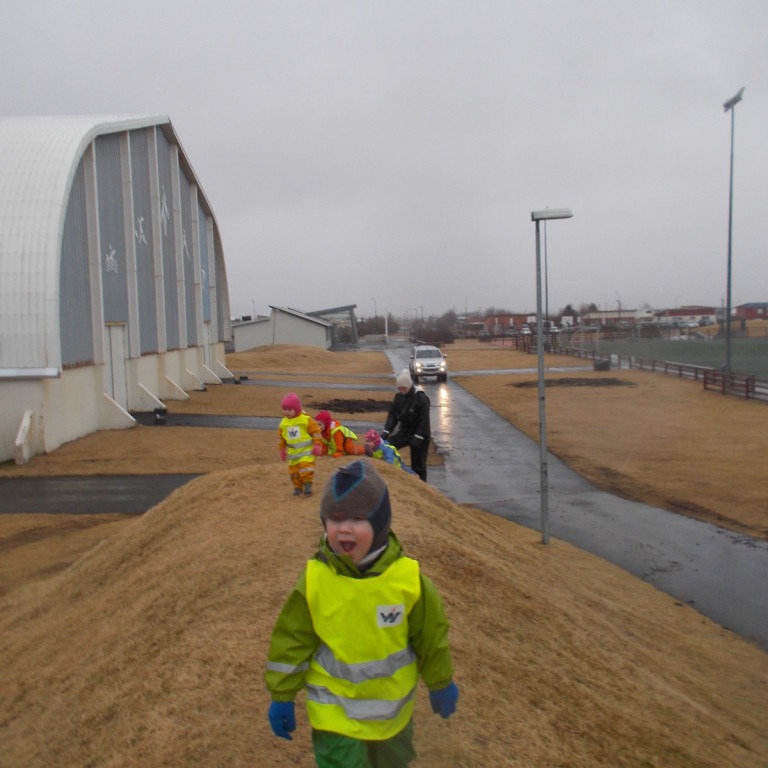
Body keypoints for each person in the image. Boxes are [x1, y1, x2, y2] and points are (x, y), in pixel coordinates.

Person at [265, 459, 458, 767]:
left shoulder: (408, 581)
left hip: (392, 714)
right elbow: (292, 640)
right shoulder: (315, 581)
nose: (344, 528)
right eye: (335, 518)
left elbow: (430, 635)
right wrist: (282, 695)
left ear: (380, 523)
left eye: (357, 518)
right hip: (334, 713)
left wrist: (440, 681)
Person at [381, 370, 431, 482]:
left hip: (421, 435)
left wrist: (418, 437)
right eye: (399, 388)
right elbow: (393, 416)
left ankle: (421, 486)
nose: (402, 391)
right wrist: (386, 431)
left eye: (404, 388)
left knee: (418, 465)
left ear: (409, 386)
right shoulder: (398, 398)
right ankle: (391, 472)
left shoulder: (421, 398)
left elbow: (424, 421)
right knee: (388, 446)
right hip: (405, 432)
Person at [278, 393, 324, 496]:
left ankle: (307, 485)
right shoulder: (283, 424)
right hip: (293, 454)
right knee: (293, 472)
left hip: (306, 453)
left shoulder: (305, 420)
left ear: (297, 409)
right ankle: (297, 487)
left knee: (306, 469)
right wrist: (282, 449)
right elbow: (281, 438)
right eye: (285, 409)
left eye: (290, 410)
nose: (287, 412)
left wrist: (317, 445)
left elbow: (316, 432)